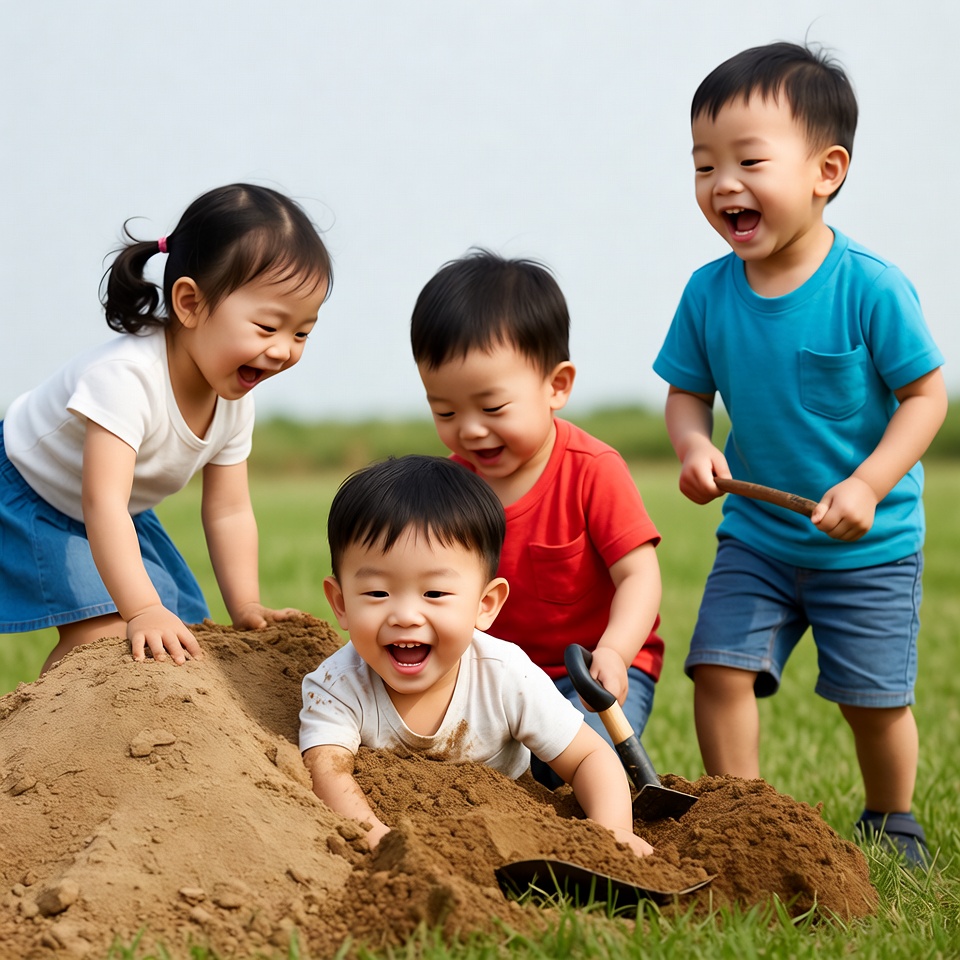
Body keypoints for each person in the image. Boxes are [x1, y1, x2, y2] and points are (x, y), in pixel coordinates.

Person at [653, 42, 947, 866]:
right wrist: (693, 443)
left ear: (827, 171)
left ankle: (891, 817)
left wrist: (869, 483)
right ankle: (740, 816)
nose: (723, 184)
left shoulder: (870, 286)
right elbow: (686, 393)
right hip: (759, 536)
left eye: (750, 161)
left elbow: (926, 397)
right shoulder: (707, 293)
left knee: (872, 702)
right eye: (704, 165)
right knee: (718, 668)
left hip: (870, 546)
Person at [1, 183, 332, 674]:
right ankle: (46, 721)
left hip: (118, 512)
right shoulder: (126, 379)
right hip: (30, 495)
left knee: (179, 630)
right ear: (190, 303)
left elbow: (229, 511)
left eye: (301, 332)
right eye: (267, 327)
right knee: (111, 630)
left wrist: (245, 605)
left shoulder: (233, 401)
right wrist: (141, 608)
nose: (284, 349)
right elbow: (101, 503)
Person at [299, 454, 653, 856]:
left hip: (512, 839)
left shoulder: (504, 675)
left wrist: (611, 833)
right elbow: (326, 770)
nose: (405, 616)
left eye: (434, 593)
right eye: (378, 593)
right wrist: (382, 842)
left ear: (486, 604)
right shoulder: (336, 686)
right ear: (341, 603)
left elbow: (590, 756)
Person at [409, 251, 663, 787]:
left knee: (580, 765)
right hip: (493, 676)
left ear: (557, 386)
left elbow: (639, 576)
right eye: (445, 411)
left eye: (493, 408)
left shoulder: (592, 471)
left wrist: (616, 651)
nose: (470, 430)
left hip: (586, 675)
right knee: (454, 768)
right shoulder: (451, 490)